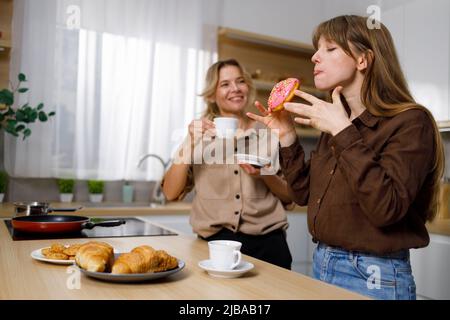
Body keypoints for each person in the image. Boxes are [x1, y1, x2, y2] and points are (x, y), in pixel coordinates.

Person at [247, 15, 444, 299]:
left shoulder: (412, 122)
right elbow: (302, 194)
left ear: (363, 59)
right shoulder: (337, 122)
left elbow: (386, 208)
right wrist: (287, 137)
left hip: (376, 274)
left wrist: (342, 130)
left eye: (329, 49)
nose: (315, 57)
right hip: (323, 263)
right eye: (317, 49)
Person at [161, 59, 293, 269]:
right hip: (214, 246)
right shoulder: (199, 136)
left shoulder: (268, 132)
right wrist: (189, 142)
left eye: (240, 81)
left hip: (268, 244)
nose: (235, 89)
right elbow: (170, 192)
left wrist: (265, 173)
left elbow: (290, 195)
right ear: (212, 94)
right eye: (225, 84)